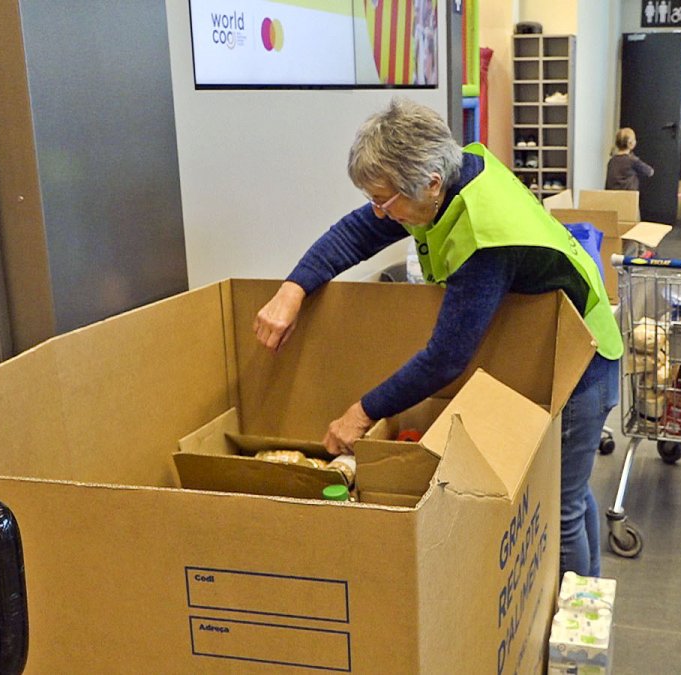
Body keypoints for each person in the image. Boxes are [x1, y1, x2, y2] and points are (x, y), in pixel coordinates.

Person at [253, 98, 622, 576]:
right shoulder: (449, 174)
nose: (380, 214)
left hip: (582, 361)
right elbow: (355, 235)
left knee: (563, 504)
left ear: (428, 183)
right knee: (573, 494)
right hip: (558, 344)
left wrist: (359, 413)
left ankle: (576, 631)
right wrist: (292, 290)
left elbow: (446, 357)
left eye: (385, 201)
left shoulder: (487, 233)